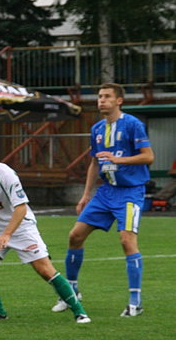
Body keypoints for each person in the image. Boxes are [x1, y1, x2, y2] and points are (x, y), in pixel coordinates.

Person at [0, 134, 90, 323]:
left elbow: (21, 207)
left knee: (45, 270)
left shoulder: (4, 174)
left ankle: (79, 312)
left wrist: (8, 234)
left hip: (22, 227)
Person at [61, 83, 154, 317]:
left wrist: (118, 160)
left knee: (126, 241)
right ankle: (71, 292)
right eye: (99, 96)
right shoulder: (97, 129)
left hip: (130, 192)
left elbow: (148, 157)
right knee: (75, 236)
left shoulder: (133, 124)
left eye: (107, 97)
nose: (101, 100)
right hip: (105, 193)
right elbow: (95, 162)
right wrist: (86, 194)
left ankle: (136, 302)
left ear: (119, 101)